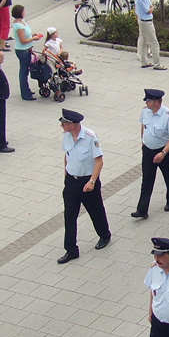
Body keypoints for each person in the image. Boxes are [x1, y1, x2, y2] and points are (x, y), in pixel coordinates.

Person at [58, 109, 112, 264]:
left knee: (95, 211)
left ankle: (104, 235)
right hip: (71, 182)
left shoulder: (90, 137)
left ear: (72, 124)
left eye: (64, 123)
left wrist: (92, 182)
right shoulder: (66, 136)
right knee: (69, 215)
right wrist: (66, 176)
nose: (62, 126)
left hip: (87, 181)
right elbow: (66, 156)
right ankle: (71, 250)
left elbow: (99, 161)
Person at [132, 89, 169, 219]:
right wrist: (143, 141)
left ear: (157, 102)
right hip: (148, 150)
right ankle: (142, 209)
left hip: (163, 151)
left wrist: (163, 153)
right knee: (147, 179)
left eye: (149, 100)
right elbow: (143, 126)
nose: (146, 102)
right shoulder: (145, 111)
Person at [12, 4, 43, 101]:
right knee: (24, 72)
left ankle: (27, 90)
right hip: (23, 50)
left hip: (27, 49)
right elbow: (23, 40)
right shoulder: (18, 26)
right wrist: (33, 38)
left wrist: (32, 34)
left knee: (25, 70)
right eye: (23, 11)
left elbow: (26, 34)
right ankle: (25, 93)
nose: (25, 12)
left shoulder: (22, 22)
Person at [136, 0, 166, 70]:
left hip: (143, 21)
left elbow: (149, 4)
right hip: (146, 22)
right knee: (154, 43)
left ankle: (144, 62)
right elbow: (148, 10)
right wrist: (152, 8)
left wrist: (150, 7)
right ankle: (157, 64)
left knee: (144, 42)